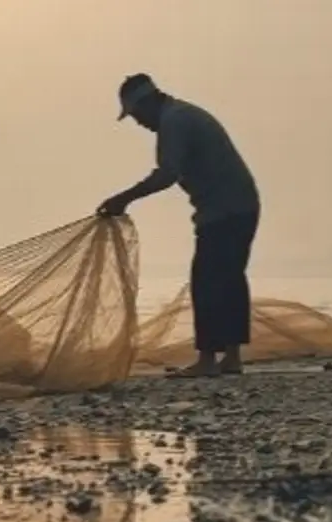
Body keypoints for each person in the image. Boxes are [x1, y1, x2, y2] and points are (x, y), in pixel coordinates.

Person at [98, 73, 260, 377]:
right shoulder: (182, 115)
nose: (139, 123)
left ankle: (208, 360)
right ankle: (231, 358)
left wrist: (125, 198)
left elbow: (167, 174)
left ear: (147, 103)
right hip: (240, 205)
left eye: (136, 115)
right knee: (229, 279)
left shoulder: (175, 122)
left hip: (225, 209)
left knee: (208, 280)